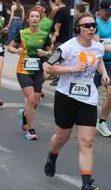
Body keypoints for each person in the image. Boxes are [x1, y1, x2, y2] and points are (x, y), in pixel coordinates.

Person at [43, 12, 109, 190]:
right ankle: (52, 154)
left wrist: (103, 74)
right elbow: (48, 68)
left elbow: (99, 61)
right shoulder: (67, 48)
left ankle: (86, 183)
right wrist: (72, 68)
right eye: (86, 25)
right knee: (61, 138)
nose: (91, 28)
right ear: (77, 29)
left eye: (93, 25)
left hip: (88, 99)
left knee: (87, 141)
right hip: (66, 97)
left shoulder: (98, 47)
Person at [8, 7, 52, 140]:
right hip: (23, 70)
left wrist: (45, 53)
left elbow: (51, 50)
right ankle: (30, 129)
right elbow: (10, 47)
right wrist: (17, 51)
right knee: (31, 99)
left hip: (37, 71)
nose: (34, 19)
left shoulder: (44, 34)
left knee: (36, 102)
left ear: (40, 19)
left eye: (37, 17)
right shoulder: (22, 33)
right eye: (32, 16)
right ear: (28, 19)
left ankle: (24, 115)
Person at [93, 0, 111, 137]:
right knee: (88, 94)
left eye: (110, 12)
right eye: (106, 12)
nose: (108, 15)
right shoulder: (94, 24)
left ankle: (102, 122)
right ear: (100, 9)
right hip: (95, 63)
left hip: (109, 65)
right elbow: (98, 46)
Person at [50, 0, 71, 86]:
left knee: (56, 58)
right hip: (65, 37)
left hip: (60, 38)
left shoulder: (61, 10)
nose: (55, 0)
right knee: (60, 58)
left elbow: (58, 24)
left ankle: (58, 77)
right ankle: (56, 76)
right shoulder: (67, 10)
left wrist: (54, 36)